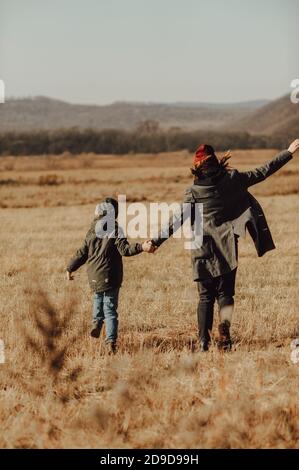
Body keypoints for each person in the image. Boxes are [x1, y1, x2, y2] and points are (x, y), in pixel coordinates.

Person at [151, 140, 299, 352]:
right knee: (225, 294)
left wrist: (156, 241)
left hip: (201, 248)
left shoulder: (193, 191)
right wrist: (288, 152)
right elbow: (262, 172)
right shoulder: (233, 179)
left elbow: (177, 220)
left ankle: (203, 342)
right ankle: (225, 335)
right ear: (216, 161)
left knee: (205, 297)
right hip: (227, 247)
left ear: (197, 165)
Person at [66, 197, 153, 354]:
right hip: (111, 276)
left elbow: (82, 253)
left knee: (98, 299)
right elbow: (125, 250)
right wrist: (142, 247)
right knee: (111, 310)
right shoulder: (115, 229)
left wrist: (70, 268)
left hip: (94, 275)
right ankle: (111, 342)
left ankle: (96, 323)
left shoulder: (92, 229)